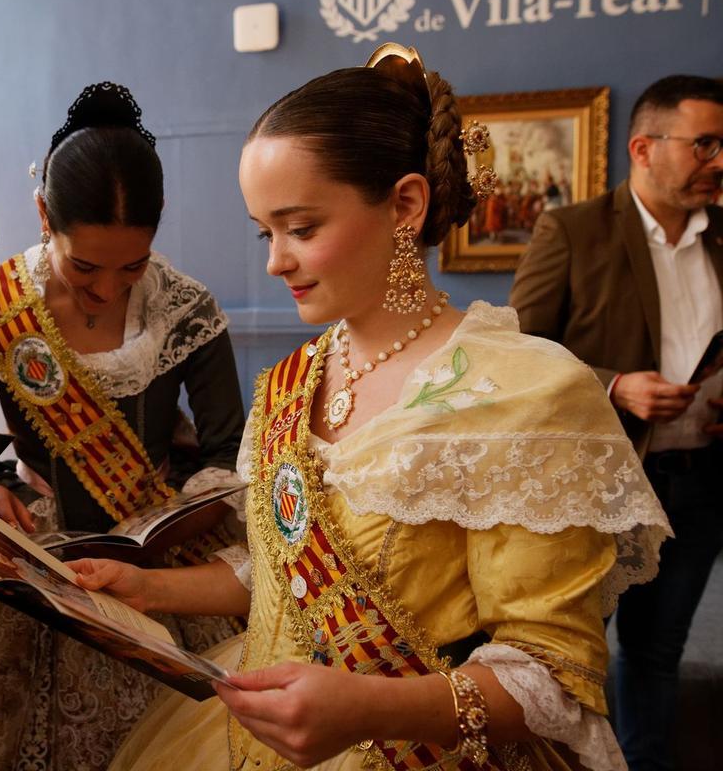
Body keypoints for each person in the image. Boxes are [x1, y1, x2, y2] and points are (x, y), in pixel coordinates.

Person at [69, 44, 670, 771]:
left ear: (406, 205)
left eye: (302, 227)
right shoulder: (287, 382)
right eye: (266, 231)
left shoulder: (525, 392)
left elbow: (553, 679)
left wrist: (366, 709)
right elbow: (282, 571)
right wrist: (147, 588)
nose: (274, 261)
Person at [0, 81, 248, 770]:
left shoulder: (184, 309)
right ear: (42, 216)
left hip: (159, 560)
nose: (108, 289)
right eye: (85, 266)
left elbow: (225, 450)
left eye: (133, 266)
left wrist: (189, 509)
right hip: (34, 563)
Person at [510, 74, 723, 770]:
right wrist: (617, 387)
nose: (720, 161)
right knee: (571, 660)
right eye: (707, 144)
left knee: (658, 657)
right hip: (599, 489)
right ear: (644, 147)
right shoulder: (571, 229)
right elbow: (518, 356)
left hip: (700, 486)